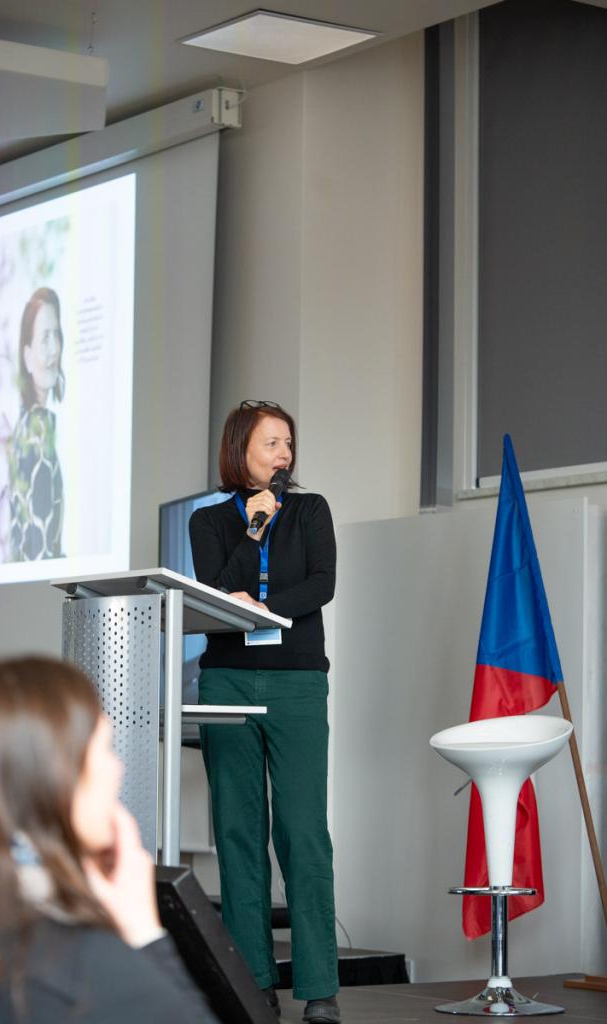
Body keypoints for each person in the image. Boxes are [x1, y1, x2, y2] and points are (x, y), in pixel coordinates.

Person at [0, 656, 219, 1024]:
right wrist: (143, 930)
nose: (118, 768)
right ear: (54, 778)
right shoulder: (87, 972)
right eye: (104, 750)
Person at [189, 400, 341, 1024]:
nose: (284, 455)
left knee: (303, 831)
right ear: (240, 451)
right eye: (271, 443)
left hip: (298, 683)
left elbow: (322, 583)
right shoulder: (208, 520)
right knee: (237, 833)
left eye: (288, 443)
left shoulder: (311, 510)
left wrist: (263, 608)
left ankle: (320, 988)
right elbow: (213, 592)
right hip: (226, 681)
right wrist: (252, 529)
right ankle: (252, 983)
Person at [8, 287, 65, 561]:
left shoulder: (24, 426)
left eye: (57, 334)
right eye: (44, 338)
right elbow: (40, 545)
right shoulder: (36, 431)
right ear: (27, 356)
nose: (54, 349)